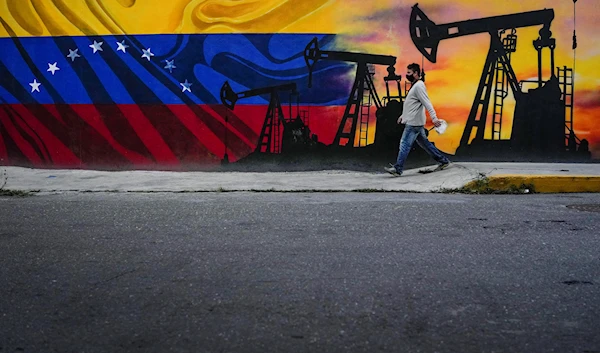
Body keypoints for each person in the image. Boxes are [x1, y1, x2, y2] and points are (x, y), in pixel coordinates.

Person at [384, 63, 450, 176]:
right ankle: (443, 161)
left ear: (415, 73)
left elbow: (427, 103)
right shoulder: (415, 86)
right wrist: (403, 116)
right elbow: (412, 105)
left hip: (413, 123)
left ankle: (398, 168)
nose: (407, 74)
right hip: (415, 122)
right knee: (425, 143)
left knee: (404, 143)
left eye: (409, 72)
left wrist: (434, 118)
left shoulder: (419, 86)